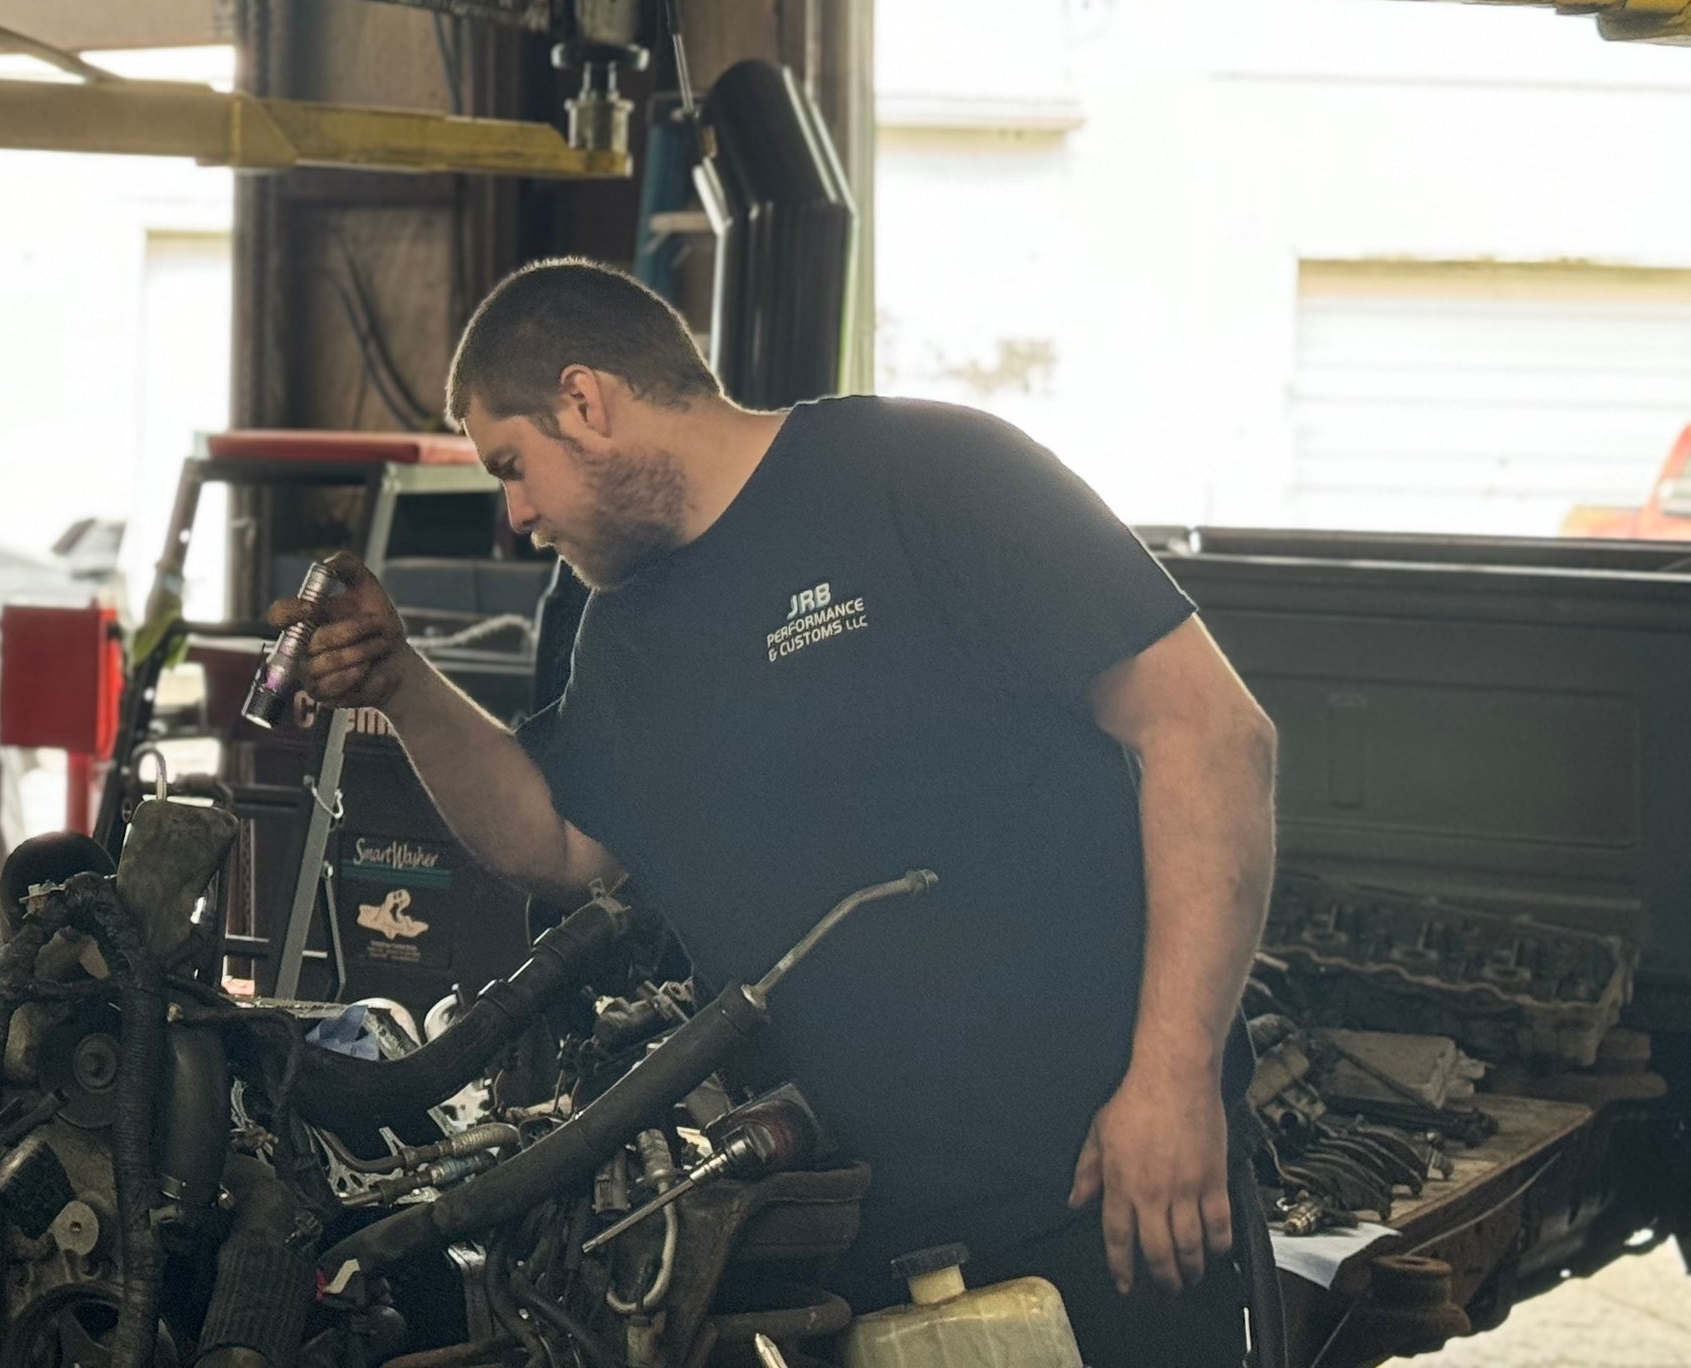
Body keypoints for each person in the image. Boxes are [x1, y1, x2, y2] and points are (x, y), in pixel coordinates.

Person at [277, 258, 1278, 1368]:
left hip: (1098, 1196)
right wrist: (401, 685)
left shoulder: (931, 473)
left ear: (584, 401)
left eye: (513, 468)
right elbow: (560, 846)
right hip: (826, 1235)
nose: (513, 518)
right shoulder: (616, 623)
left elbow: (1210, 735)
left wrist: (1173, 1084)